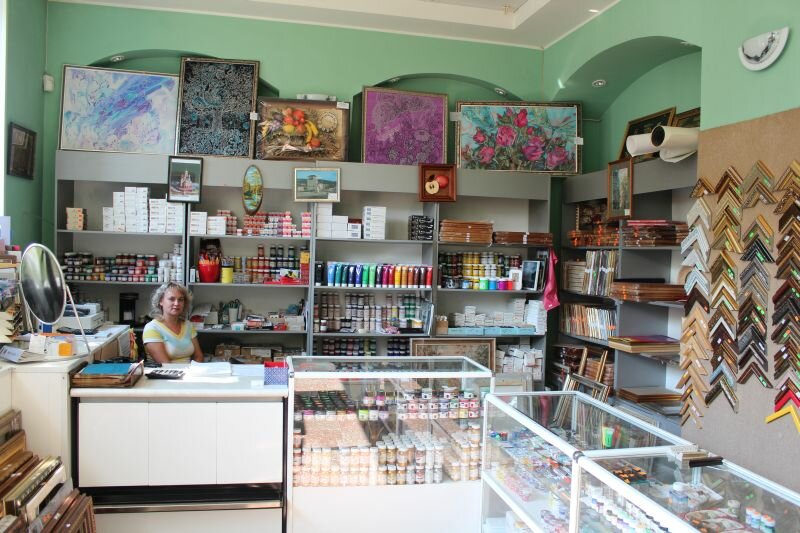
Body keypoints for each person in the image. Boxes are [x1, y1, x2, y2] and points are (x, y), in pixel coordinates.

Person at [142, 282, 203, 363]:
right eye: (171, 299)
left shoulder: (188, 325)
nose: (176, 303)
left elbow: (199, 356)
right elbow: (165, 365)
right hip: (166, 371)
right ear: (161, 301)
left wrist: (196, 369)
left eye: (180, 299)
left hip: (190, 370)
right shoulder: (152, 328)